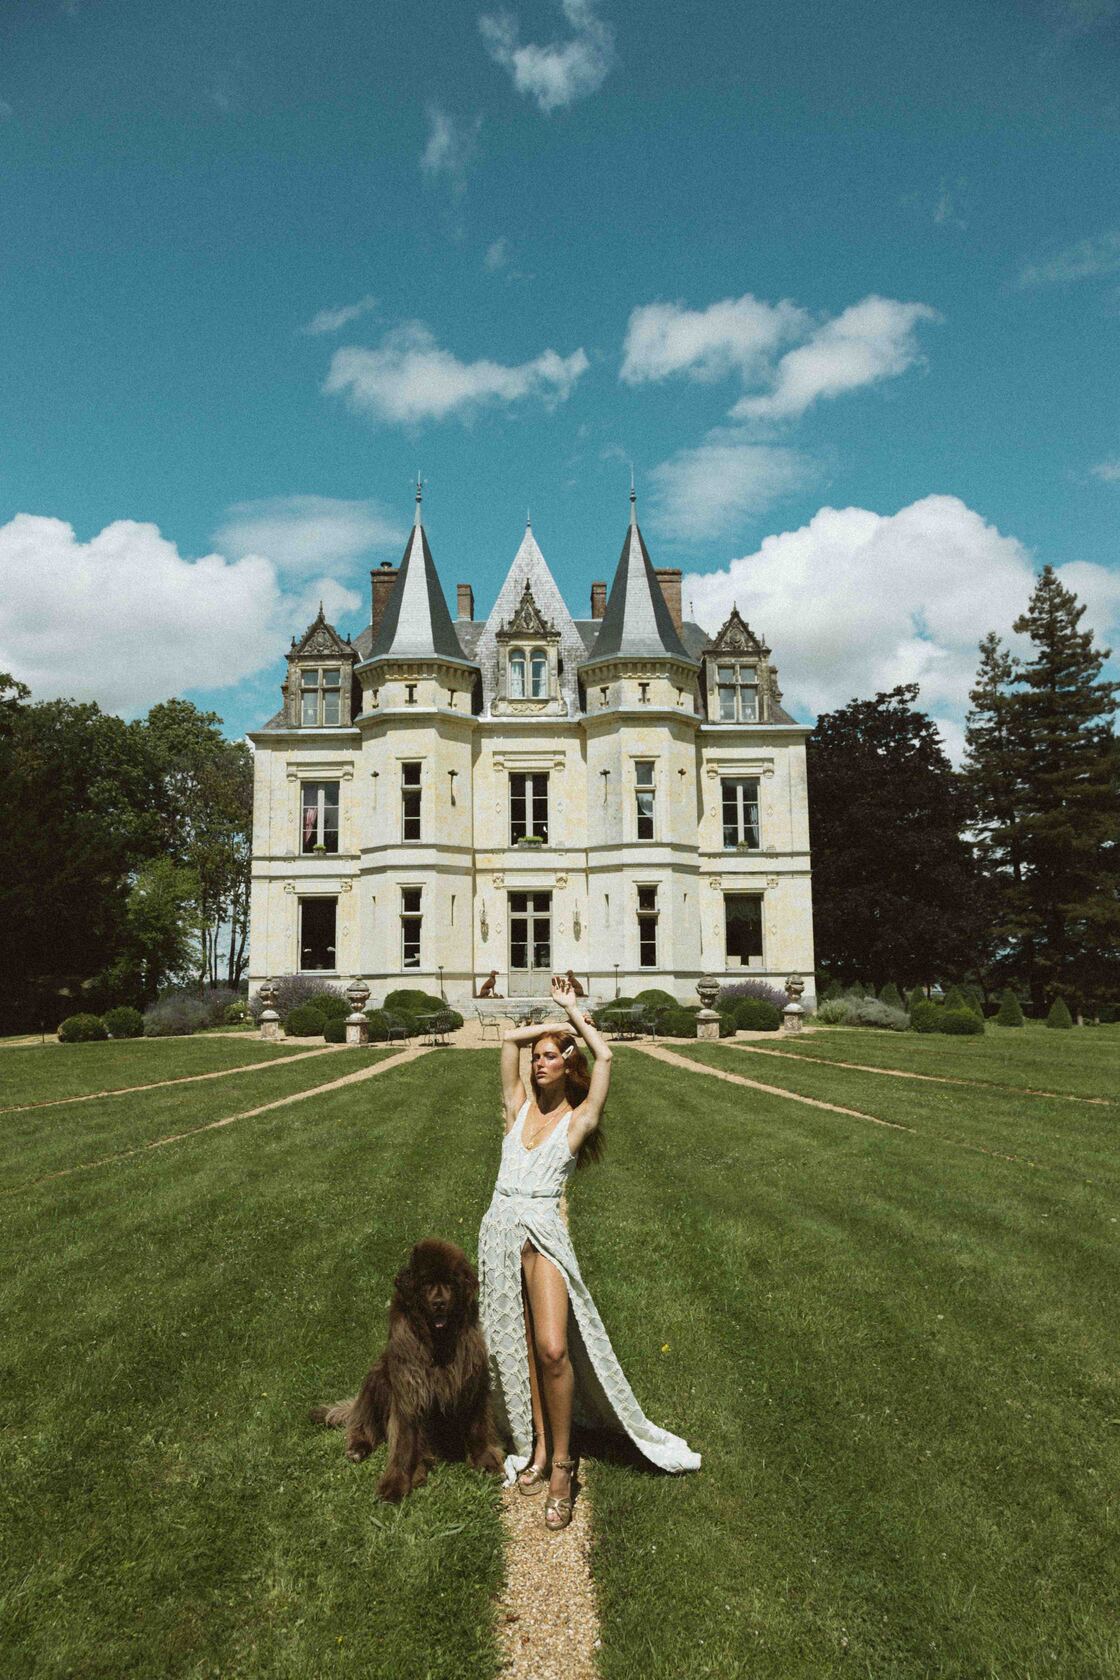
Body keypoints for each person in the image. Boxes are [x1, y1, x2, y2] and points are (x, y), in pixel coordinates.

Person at [477, 975, 700, 1531]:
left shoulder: (578, 1122)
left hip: (542, 1236)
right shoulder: (517, 1109)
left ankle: (563, 1465)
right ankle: (537, 1447)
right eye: (537, 1058)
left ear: (567, 1064)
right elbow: (507, 1041)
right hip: (499, 1232)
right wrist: (549, 1027)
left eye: (549, 1058)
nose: (538, 1064)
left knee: (553, 1349)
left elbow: (607, 1057)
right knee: (519, 1347)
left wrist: (573, 1016)